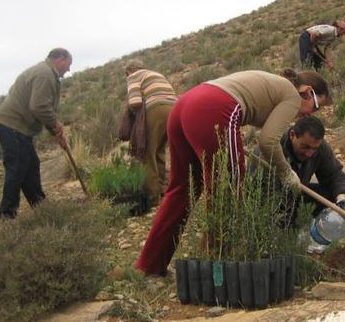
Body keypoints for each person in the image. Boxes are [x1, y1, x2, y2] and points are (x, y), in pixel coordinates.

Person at [135, 69, 331, 276]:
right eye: (316, 107)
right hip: (214, 108)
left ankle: (150, 266)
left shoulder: (276, 87)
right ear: (308, 92)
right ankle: (215, 270)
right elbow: (268, 141)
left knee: (183, 189)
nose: (310, 114)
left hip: (185, 105)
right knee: (228, 193)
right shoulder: (292, 95)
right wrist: (286, 172)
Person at [0, 48, 71, 219]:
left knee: (31, 165)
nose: (69, 70)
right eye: (68, 65)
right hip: (11, 125)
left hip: (19, 128)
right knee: (17, 167)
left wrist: (55, 132)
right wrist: (56, 126)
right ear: (60, 59)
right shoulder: (44, 74)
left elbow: (41, 108)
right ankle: (7, 214)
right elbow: (39, 107)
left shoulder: (45, 72)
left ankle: (39, 205)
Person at [124, 59, 177, 206]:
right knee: (159, 149)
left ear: (128, 72)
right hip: (175, 108)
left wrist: (134, 120)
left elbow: (135, 102)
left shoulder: (133, 76)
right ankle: (161, 189)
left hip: (156, 109)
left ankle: (152, 197)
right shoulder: (156, 74)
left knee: (147, 152)